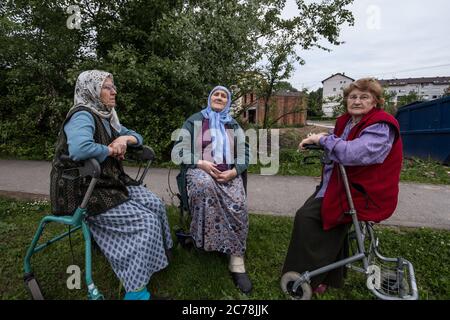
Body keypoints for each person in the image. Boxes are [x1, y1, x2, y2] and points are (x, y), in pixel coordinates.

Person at [50, 70, 173, 300]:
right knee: (145, 222)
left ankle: (160, 258)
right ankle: (136, 294)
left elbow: (137, 137)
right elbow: (79, 149)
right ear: (93, 91)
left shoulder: (107, 116)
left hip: (107, 182)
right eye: (107, 87)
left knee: (155, 204)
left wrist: (124, 139)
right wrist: (110, 149)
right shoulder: (83, 115)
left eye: (113, 86)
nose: (114, 91)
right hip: (83, 189)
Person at [282, 78, 403, 294]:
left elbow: (352, 153)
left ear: (375, 101)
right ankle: (325, 278)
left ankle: (305, 279)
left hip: (364, 192)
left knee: (307, 218)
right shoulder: (346, 121)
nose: (357, 101)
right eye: (353, 96)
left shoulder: (380, 125)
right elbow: (337, 143)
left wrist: (322, 140)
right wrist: (315, 139)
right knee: (328, 219)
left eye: (364, 97)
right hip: (339, 185)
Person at [172, 86, 252, 294]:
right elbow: (178, 150)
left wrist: (234, 173)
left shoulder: (233, 125)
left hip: (227, 173)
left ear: (228, 101)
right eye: (216, 94)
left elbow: (245, 154)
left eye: (224, 95)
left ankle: (236, 259)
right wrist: (200, 163)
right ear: (209, 98)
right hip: (200, 170)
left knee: (238, 203)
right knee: (205, 187)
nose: (219, 97)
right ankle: (206, 240)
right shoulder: (194, 121)